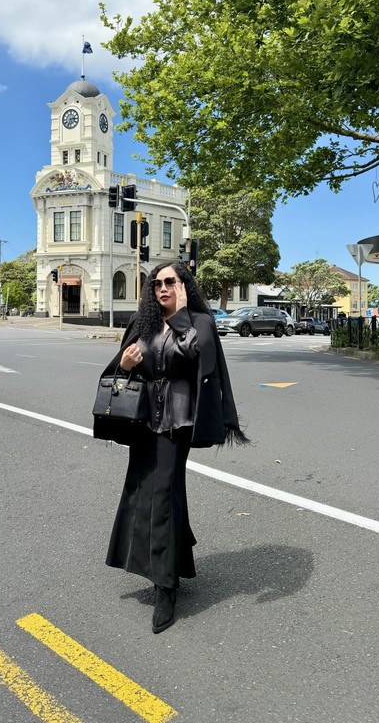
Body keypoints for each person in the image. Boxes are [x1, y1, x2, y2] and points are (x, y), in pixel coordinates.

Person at [93, 261, 247, 634]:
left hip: (177, 422)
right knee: (141, 491)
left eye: (170, 282)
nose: (162, 288)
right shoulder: (143, 323)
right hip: (143, 419)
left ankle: (166, 587)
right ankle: (177, 550)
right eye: (156, 283)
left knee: (162, 495)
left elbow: (196, 355)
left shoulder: (199, 322)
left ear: (184, 285)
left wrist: (180, 314)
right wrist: (125, 365)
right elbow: (126, 370)